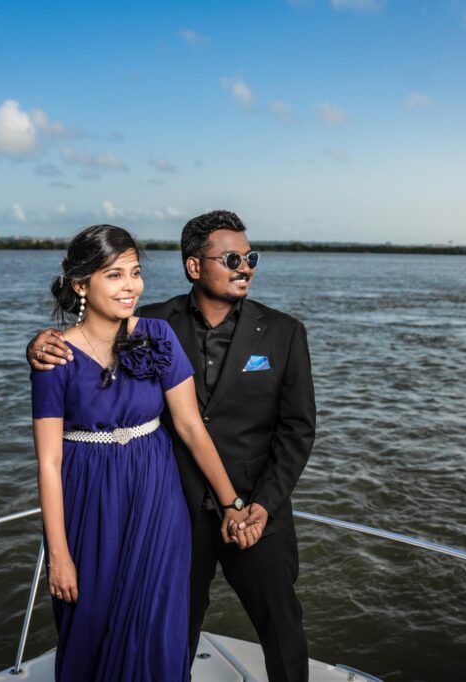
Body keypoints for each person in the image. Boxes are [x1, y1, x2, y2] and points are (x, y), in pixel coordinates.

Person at [29, 211, 316, 682]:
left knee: (283, 625)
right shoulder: (154, 321)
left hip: (249, 509)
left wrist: (256, 505)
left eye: (250, 257)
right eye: (231, 258)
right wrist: (38, 346)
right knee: (168, 632)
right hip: (174, 505)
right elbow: (88, 346)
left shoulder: (284, 332)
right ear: (193, 267)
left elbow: (297, 430)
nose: (245, 266)